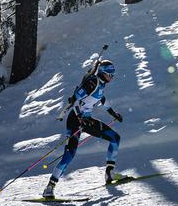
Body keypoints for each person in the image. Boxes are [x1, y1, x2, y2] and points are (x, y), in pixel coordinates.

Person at [42, 59, 123, 198]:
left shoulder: (101, 85)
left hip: (87, 121)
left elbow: (103, 101)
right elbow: (75, 102)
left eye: (113, 74)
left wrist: (114, 114)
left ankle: (110, 174)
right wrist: (80, 118)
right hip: (75, 120)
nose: (112, 76)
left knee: (115, 138)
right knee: (69, 155)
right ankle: (49, 188)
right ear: (103, 73)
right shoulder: (92, 83)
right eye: (110, 73)